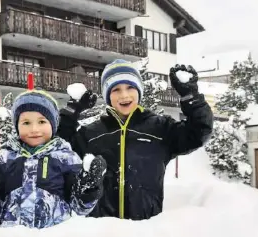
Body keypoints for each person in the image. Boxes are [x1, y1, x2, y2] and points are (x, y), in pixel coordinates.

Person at [57, 60, 214, 220]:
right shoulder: (91, 133)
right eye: (116, 89)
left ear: (139, 91)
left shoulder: (160, 128)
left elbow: (199, 132)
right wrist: (70, 113)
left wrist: (191, 97)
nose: (124, 95)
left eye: (130, 87)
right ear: (107, 95)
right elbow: (59, 148)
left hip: (145, 231)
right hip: (102, 231)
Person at [0, 89, 107, 228]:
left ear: (53, 125)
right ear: (17, 126)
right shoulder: (6, 158)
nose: (34, 129)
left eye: (42, 121)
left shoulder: (66, 158)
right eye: (26, 123)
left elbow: (79, 208)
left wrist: (88, 190)